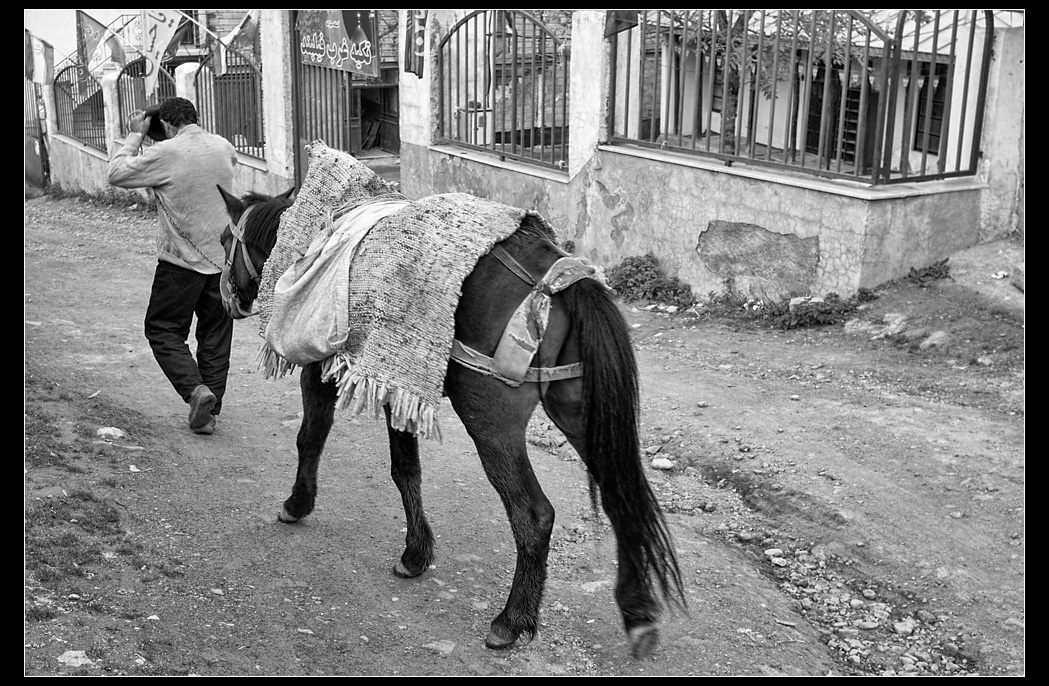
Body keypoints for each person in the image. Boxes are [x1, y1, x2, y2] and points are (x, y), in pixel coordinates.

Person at [107, 97, 238, 435]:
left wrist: (136, 135)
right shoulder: (223, 147)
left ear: (165, 124)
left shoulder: (166, 153)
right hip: (223, 263)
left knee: (162, 329)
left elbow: (116, 173)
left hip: (181, 264)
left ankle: (196, 391)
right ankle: (209, 414)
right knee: (215, 337)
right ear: (195, 116)